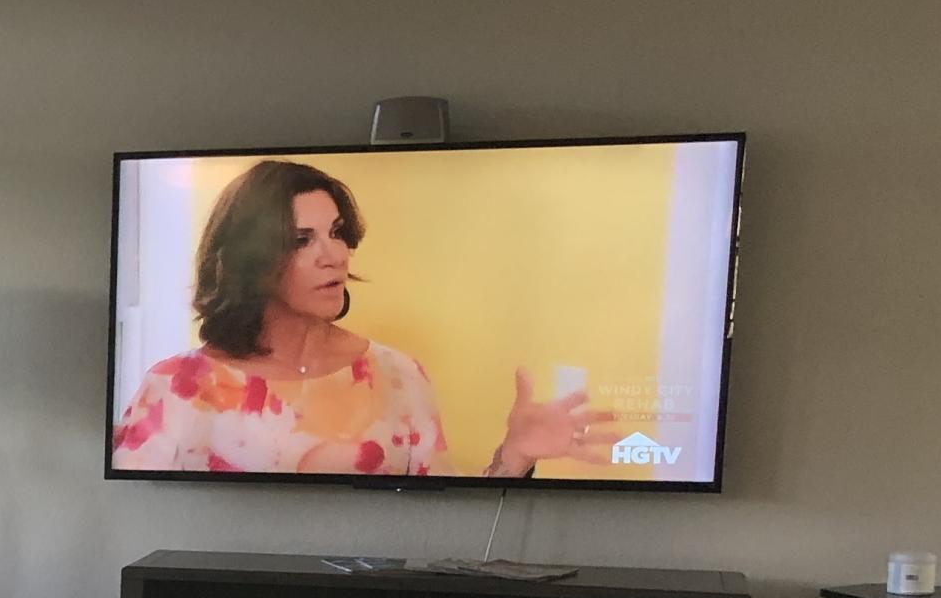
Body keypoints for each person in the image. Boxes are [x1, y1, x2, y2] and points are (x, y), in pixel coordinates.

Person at [112, 158, 612, 477]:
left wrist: (516, 455)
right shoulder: (174, 388)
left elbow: (446, 537)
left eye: (337, 231)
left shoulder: (399, 376)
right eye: (301, 239)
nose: (334, 255)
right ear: (249, 258)